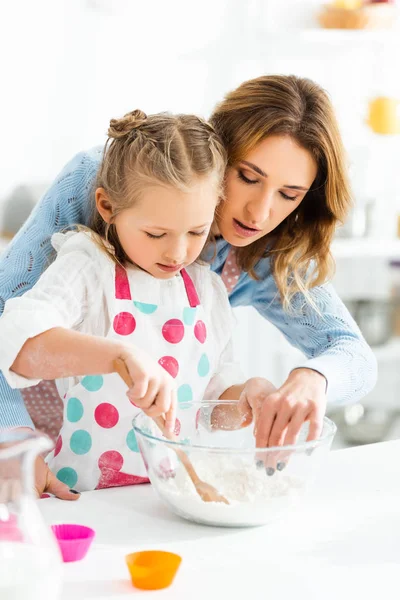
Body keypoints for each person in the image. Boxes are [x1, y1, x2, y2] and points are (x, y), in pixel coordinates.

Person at [0, 75, 377, 492]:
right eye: (248, 177)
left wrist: (309, 378)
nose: (260, 212)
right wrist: (13, 441)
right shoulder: (99, 204)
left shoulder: (248, 264)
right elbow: (11, 325)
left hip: (153, 479)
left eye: (289, 194)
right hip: (39, 426)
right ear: (218, 155)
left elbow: (346, 355)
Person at [0, 110, 275, 495]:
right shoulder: (88, 268)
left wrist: (248, 400)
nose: (178, 252)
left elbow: (212, 399)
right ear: (107, 206)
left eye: (196, 231)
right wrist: (118, 356)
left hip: (174, 496)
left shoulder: (206, 291)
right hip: (86, 495)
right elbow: (18, 343)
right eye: (156, 233)